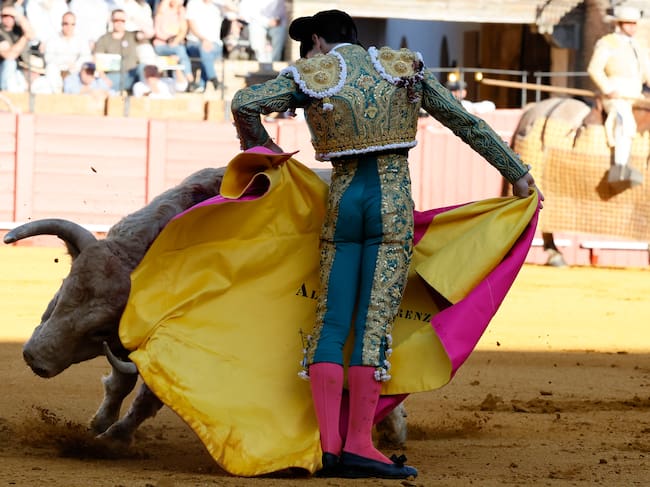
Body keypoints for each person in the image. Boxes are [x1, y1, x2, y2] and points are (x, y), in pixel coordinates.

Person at [231, 9, 542, 480]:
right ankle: (358, 445)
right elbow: (465, 122)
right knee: (374, 323)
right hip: (390, 204)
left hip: (343, 203)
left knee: (331, 322)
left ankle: (327, 447)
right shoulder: (404, 67)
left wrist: (270, 159)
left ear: (317, 39)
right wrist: (517, 174)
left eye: (307, 45)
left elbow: (243, 102)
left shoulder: (310, 74)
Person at [587, 5, 650, 186]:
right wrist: (607, 89)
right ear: (619, 24)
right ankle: (620, 168)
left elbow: (647, 74)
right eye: (629, 24)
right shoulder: (608, 43)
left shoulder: (637, 46)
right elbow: (594, 69)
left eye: (634, 24)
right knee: (624, 119)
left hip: (636, 95)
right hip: (615, 96)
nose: (633, 28)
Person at [185, 0, 233, 92]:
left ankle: (202, 87)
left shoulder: (218, 5)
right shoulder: (193, 3)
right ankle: (213, 79)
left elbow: (235, 9)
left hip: (215, 45)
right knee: (205, 49)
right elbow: (192, 26)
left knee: (207, 52)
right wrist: (204, 40)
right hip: (195, 43)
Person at [93, 8, 142, 93]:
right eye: (116, 20)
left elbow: (149, 33)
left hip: (132, 74)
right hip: (113, 76)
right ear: (112, 21)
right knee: (99, 85)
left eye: (122, 20)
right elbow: (97, 61)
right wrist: (104, 78)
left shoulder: (132, 35)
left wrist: (135, 20)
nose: (119, 22)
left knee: (143, 67)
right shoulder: (104, 39)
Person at [43, 11, 92, 93]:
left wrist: (76, 65)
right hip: (58, 69)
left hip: (75, 69)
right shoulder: (53, 39)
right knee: (50, 68)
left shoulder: (81, 39)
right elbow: (48, 57)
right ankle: (56, 94)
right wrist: (63, 62)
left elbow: (86, 56)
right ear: (62, 24)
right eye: (66, 24)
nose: (69, 27)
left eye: (72, 24)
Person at [152, 0, 193, 91]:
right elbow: (159, 32)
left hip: (174, 46)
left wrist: (175, 41)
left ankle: (184, 81)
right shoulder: (162, 10)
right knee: (180, 50)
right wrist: (171, 40)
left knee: (179, 53)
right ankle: (190, 78)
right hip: (160, 45)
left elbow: (183, 31)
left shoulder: (180, 12)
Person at [0, 2, 34, 92]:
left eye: (11, 16)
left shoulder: (18, 30)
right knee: (10, 64)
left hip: (20, 69)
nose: (8, 18)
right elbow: (9, 56)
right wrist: (24, 38)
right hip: (3, 70)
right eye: (4, 16)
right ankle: (5, 92)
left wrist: (18, 14)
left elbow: (31, 34)